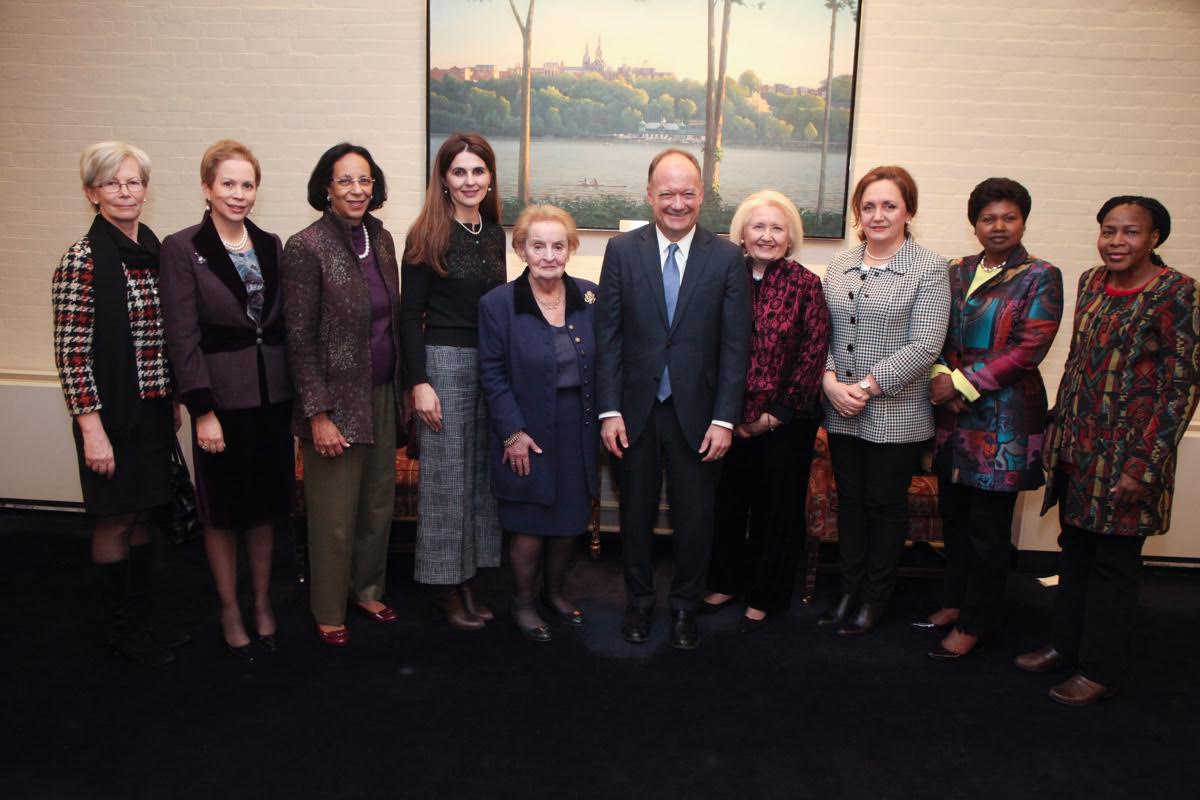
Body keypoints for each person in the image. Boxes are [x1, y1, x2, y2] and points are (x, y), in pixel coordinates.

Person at [1017, 196, 1199, 705]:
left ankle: (1098, 668)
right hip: (1080, 450)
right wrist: (1056, 428)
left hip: (1129, 459)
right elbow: (1078, 362)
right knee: (1074, 554)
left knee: (1113, 568)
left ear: (1155, 238)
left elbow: (1180, 387)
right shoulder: (1091, 283)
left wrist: (1143, 467)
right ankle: (1063, 646)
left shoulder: (1175, 293)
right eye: (1109, 231)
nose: (1117, 242)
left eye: (1131, 232)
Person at [595, 148, 752, 650]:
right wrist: (610, 409)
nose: (677, 203)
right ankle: (639, 604)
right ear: (649, 195)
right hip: (635, 414)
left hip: (700, 417)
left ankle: (686, 606)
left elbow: (735, 346)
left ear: (702, 195)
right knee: (635, 516)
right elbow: (609, 338)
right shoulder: (622, 251)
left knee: (694, 520)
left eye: (687, 193)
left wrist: (726, 419)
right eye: (667, 193)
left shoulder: (727, 258)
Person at [914, 178, 1063, 660]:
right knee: (954, 518)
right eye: (987, 218)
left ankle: (978, 621)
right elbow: (935, 332)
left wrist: (960, 384)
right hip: (952, 419)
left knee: (988, 527)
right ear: (973, 223)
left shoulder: (1041, 275)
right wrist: (941, 377)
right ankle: (956, 602)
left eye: (1009, 217)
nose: (998, 226)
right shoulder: (955, 270)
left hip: (1004, 421)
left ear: (1023, 220)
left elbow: (1027, 349)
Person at [52, 141, 187, 666]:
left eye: (132, 182)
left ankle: (142, 622)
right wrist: (92, 431)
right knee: (114, 519)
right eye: (112, 183)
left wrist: (170, 398)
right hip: (108, 417)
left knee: (142, 515)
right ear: (92, 193)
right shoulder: (82, 259)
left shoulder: (152, 248)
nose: (125, 191)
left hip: (150, 410)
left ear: (145, 189)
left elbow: (163, 334)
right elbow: (71, 355)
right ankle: (121, 632)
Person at [160, 140, 294, 661]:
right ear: (206, 188)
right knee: (221, 514)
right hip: (220, 402)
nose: (239, 194)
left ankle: (261, 603)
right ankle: (229, 608)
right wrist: (203, 411)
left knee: (264, 510)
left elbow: (279, 325)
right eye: (228, 184)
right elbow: (182, 335)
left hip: (272, 398)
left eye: (247, 184)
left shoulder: (271, 243)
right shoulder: (183, 246)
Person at [817, 165, 950, 637]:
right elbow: (824, 332)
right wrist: (831, 381)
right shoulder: (840, 267)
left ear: (908, 211)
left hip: (895, 412)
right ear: (858, 212)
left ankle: (875, 598)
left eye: (889, 205)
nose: (878, 215)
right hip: (840, 408)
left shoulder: (930, 268)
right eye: (869, 206)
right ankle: (849, 592)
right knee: (850, 502)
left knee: (885, 505)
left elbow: (926, 343)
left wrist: (868, 387)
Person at [282, 143, 403, 647]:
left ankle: (367, 589)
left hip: (380, 395)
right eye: (346, 180)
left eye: (366, 180)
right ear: (326, 188)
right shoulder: (306, 246)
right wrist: (318, 414)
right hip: (334, 403)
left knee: (377, 505)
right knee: (333, 515)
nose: (358, 190)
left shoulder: (382, 237)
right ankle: (328, 608)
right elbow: (299, 338)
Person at [701, 190, 830, 632]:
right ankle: (724, 581)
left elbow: (812, 355)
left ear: (790, 237)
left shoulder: (807, 285)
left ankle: (765, 594)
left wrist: (772, 415)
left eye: (777, 228)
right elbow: (705, 348)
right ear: (742, 233)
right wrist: (727, 415)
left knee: (776, 510)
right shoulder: (721, 276)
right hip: (725, 421)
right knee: (728, 504)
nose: (767, 236)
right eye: (759, 226)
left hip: (784, 422)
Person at [478, 205, 599, 642]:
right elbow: (491, 374)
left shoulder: (590, 296)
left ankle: (556, 593)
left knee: (569, 521)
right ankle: (524, 601)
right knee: (529, 524)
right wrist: (513, 432)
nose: (549, 255)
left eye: (558, 245)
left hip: (577, 428)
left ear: (570, 249)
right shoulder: (498, 304)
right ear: (521, 250)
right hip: (526, 429)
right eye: (538, 245)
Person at [400, 133, 506, 630]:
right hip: (442, 365)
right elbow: (408, 315)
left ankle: (470, 577)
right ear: (443, 178)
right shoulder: (426, 234)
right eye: (459, 171)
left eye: (478, 171)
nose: (469, 181)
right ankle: (444, 585)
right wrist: (418, 382)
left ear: (489, 177)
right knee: (445, 483)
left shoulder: (494, 233)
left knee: (480, 480)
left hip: (488, 365)